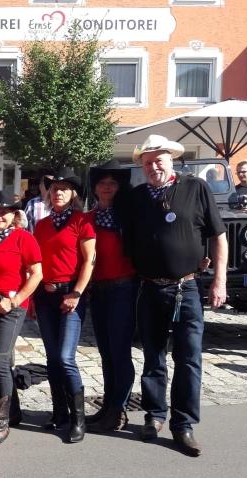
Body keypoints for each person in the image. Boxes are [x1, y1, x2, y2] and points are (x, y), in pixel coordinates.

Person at [122, 135, 227, 456]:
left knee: (189, 358)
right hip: (149, 287)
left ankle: (183, 425)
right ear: (141, 165)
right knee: (153, 356)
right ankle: (155, 416)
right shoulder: (136, 197)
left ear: (171, 160)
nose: (154, 166)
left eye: (159, 160)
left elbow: (218, 236)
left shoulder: (196, 188)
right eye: (148, 161)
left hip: (187, 288)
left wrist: (219, 280)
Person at [33, 168, 96, 443]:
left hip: (70, 294)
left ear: (73, 194)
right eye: (54, 188)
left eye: (64, 188)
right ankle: (59, 412)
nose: (58, 192)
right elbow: (36, 265)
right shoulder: (42, 225)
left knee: (65, 358)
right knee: (51, 357)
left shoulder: (82, 222)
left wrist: (77, 293)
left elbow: (89, 261)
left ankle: (77, 418)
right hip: (44, 297)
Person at [0, 191, 42, 446]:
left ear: (14, 214)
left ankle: (1, 422)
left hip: (12, 304)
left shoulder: (23, 238)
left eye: (4, 212)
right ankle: (11, 410)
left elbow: (36, 274)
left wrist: (14, 301)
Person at [85, 160, 137, 432]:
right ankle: (108, 406)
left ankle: (119, 408)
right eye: (102, 183)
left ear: (119, 187)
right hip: (99, 291)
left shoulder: (127, 217)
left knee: (119, 352)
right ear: (95, 188)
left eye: (112, 183)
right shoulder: (89, 218)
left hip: (123, 288)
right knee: (105, 352)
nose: (106, 187)